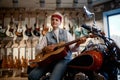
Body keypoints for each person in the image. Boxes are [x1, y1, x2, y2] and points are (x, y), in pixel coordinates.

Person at [28, 12, 87, 80]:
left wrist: (78, 44)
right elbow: (38, 48)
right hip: (50, 60)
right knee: (32, 76)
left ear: (60, 22)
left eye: (56, 20)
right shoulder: (47, 35)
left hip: (64, 60)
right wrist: (44, 48)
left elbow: (73, 49)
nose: (54, 21)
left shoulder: (66, 33)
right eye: (52, 19)